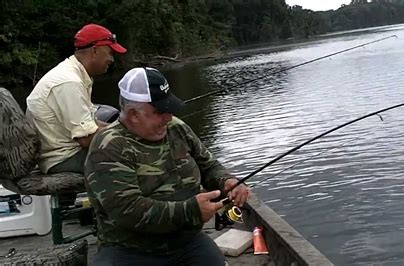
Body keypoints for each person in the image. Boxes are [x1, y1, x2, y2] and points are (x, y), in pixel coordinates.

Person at [84, 67, 251, 266]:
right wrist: (190, 211)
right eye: (160, 112)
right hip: (129, 250)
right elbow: (127, 210)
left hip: (186, 243)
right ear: (133, 114)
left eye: (169, 109)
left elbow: (209, 166)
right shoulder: (109, 146)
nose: (169, 117)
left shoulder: (176, 128)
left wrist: (227, 181)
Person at [26, 23, 127, 174]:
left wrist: (125, 129)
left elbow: (90, 125)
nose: (112, 59)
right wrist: (132, 135)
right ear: (95, 50)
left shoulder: (77, 75)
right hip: (61, 159)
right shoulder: (69, 82)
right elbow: (87, 139)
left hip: (65, 152)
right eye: (110, 52)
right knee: (136, 157)